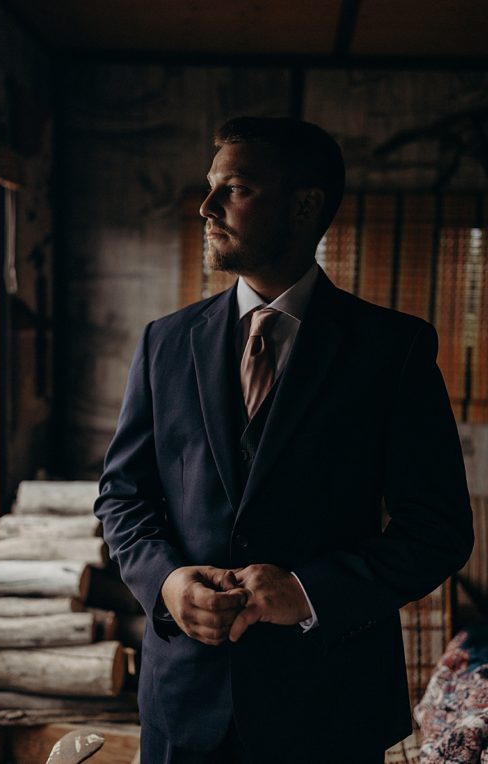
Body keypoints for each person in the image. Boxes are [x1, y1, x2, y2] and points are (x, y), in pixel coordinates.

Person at [94, 117, 473, 764]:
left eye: (234, 188)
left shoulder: (392, 350)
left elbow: (438, 530)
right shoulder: (165, 343)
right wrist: (167, 583)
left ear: (303, 205)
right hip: (184, 701)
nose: (207, 207)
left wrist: (305, 590)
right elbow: (122, 498)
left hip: (329, 706)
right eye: (209, 188)